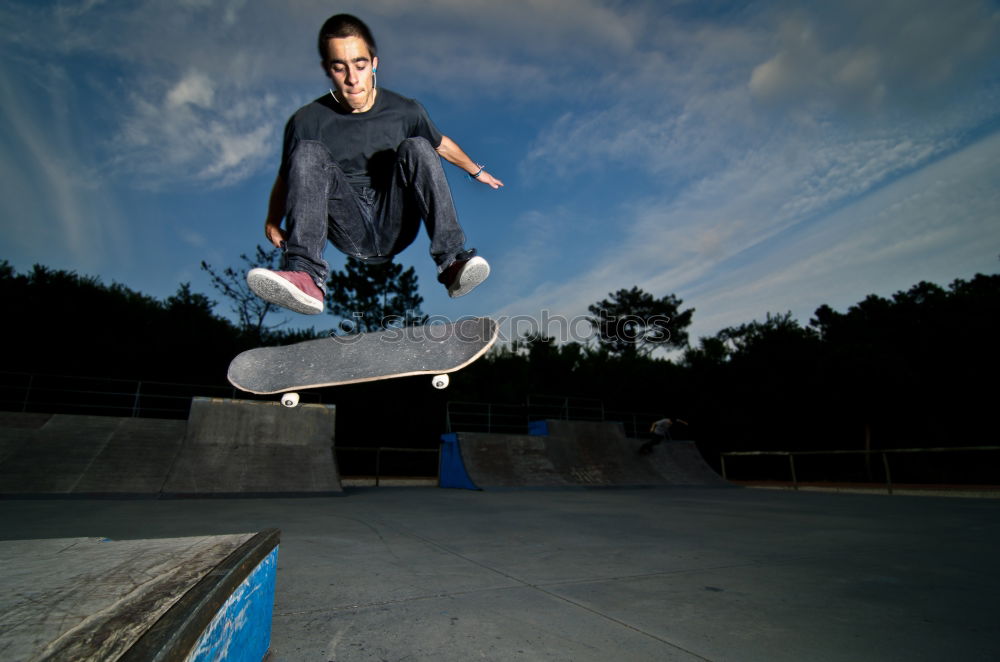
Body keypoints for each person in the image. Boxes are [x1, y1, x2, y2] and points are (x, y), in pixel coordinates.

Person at [247, 13, 503, 315]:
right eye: (339, 68)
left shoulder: (405, 111)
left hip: (395, 218)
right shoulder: (307, 120)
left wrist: (476, 171)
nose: (353, 80)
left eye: (360, 65)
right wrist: (272, 220)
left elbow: (441, 144)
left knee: (418, 145)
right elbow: (287, 176)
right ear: (327, 70)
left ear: (374, 64)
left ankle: (451, 263)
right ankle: (306, 276)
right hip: (347, 224)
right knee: (306, 153)